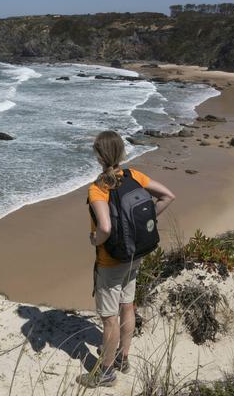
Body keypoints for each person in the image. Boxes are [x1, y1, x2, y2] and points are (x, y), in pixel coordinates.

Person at [77, 130, 176, 388]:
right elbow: (168, 196)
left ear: (99, 156)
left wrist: (94, 240)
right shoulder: (134, 176)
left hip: (111, 262)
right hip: (135, 254)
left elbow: (106, 228)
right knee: (128, 306)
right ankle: (123, 358)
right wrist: (148, 222)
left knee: (109, 318)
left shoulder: (98, 188)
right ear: (121, 153)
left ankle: (106, 372)